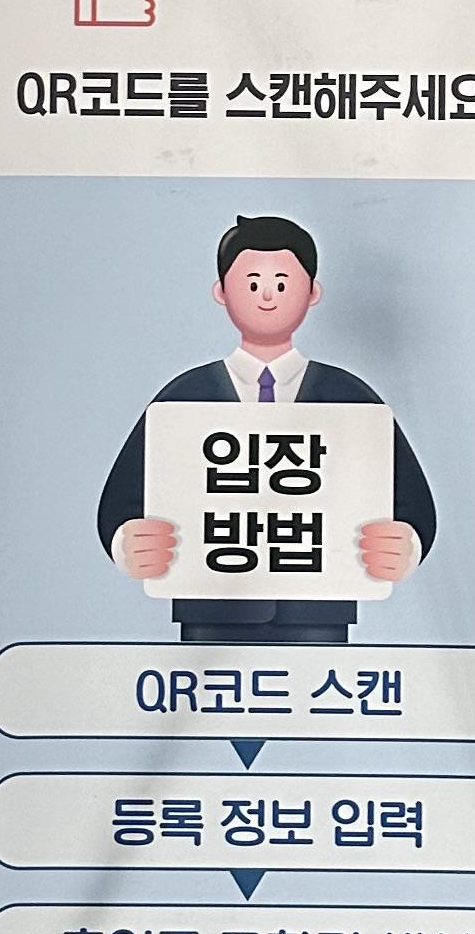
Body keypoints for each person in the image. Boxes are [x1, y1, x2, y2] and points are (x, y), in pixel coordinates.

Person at [95, 214, 438, 640]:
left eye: (282, 283)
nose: (268, 296)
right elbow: (124, 496)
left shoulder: (351, 397)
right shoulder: (183, 397)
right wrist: (128, 541)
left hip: (318, 613)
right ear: (222, 291)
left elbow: (410, 498)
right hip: (211, 613)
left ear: (312, 292)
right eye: (253, 283)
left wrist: (406, 543)